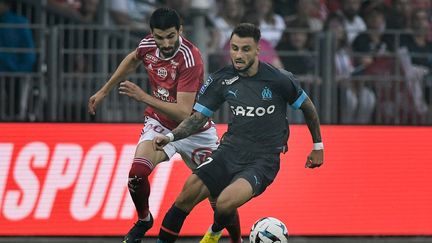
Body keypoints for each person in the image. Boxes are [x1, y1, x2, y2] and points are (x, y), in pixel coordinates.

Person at [153, 23, 324, 243]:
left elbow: (308, 107)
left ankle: (213, 233)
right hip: (229, 151)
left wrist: (318, 146)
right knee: (187, 193)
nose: (238, 54)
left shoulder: (279, 79)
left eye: (245, 49)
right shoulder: (221, 79)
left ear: (257, 51)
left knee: (225, 202)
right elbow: (197, 119)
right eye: (234, 48)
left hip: (263, 160)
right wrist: (170, 137)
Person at [87, 8, 242, 243]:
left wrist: (142, 97)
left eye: (171, 35)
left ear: (180, 30)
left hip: (194, 129)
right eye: (160, 37)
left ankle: (237, 240)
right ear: (152, 34)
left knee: (222, 200)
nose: (166, 42)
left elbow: (182, 112)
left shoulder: (190, 58)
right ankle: (144, 220)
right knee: (137, 175)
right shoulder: (148, 44)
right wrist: (103, 90)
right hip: (159, 124)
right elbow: (132, 59)